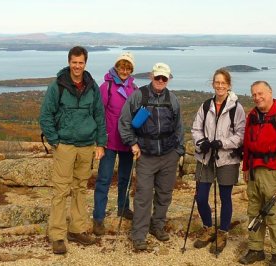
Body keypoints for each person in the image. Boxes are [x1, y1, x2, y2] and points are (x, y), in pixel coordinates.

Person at [39, 46, 106, 255]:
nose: (78, 66)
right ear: (69, 62)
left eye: (81, 62)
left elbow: (99, 116)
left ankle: (77, 229)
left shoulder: (91, 86)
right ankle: (58, 235)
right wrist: (55, 141)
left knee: (79, 188)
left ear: (85, 63)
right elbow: (45, 116)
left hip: (86, 145)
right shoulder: (57, 86)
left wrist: (100, 143)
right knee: (61, 190)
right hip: (65, 145)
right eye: (74, 62)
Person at [118, 62, 184, 251]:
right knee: (143, 196)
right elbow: (124, 122)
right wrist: (132, 142)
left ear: (168, 79)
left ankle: (157, 226)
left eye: (164, 78)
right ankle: (139, 234)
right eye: (158, 77)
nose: (161, 81)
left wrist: (178, 151)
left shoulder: (172, 99)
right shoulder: (139, 96)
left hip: (168, 154)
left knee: (164, 195)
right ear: (151, 76)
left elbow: (179, 126)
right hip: (146, 155)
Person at [239, 81, 276, 266]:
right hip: (254, 170)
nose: (257, 97)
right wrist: (246, 168)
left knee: (274, 214)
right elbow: (247, 144)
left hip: (273, 172)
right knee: (254, 211)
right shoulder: (252, 115)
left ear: (270, 92)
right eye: (254, 95)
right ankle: (256, 249)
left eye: (261, 93)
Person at [191, 68, 245, 254]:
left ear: (229, 85)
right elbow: (196, 129)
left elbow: (241, 135)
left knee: (225, 197)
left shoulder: (236, 108)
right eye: (217, 82)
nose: (220, 86)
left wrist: (223, 143)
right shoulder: (206, 106)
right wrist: (201, 143)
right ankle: (208, 228)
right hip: (205, 157)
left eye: (223, 83)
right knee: (201, 197)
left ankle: (222, 232)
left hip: (227, 158)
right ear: (213, 84)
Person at [92, 52, 137, 236]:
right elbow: (99, 114)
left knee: (125, 179)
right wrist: (99, 142)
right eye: (121, 67)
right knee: (104, 179)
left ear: (131, 70)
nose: (124, 71)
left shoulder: (134, 89)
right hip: (109, 142)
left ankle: (123, 208)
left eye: (128, 68)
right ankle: (98, 218)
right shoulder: (106, 87)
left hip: (127, 142)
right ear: (116, 67)